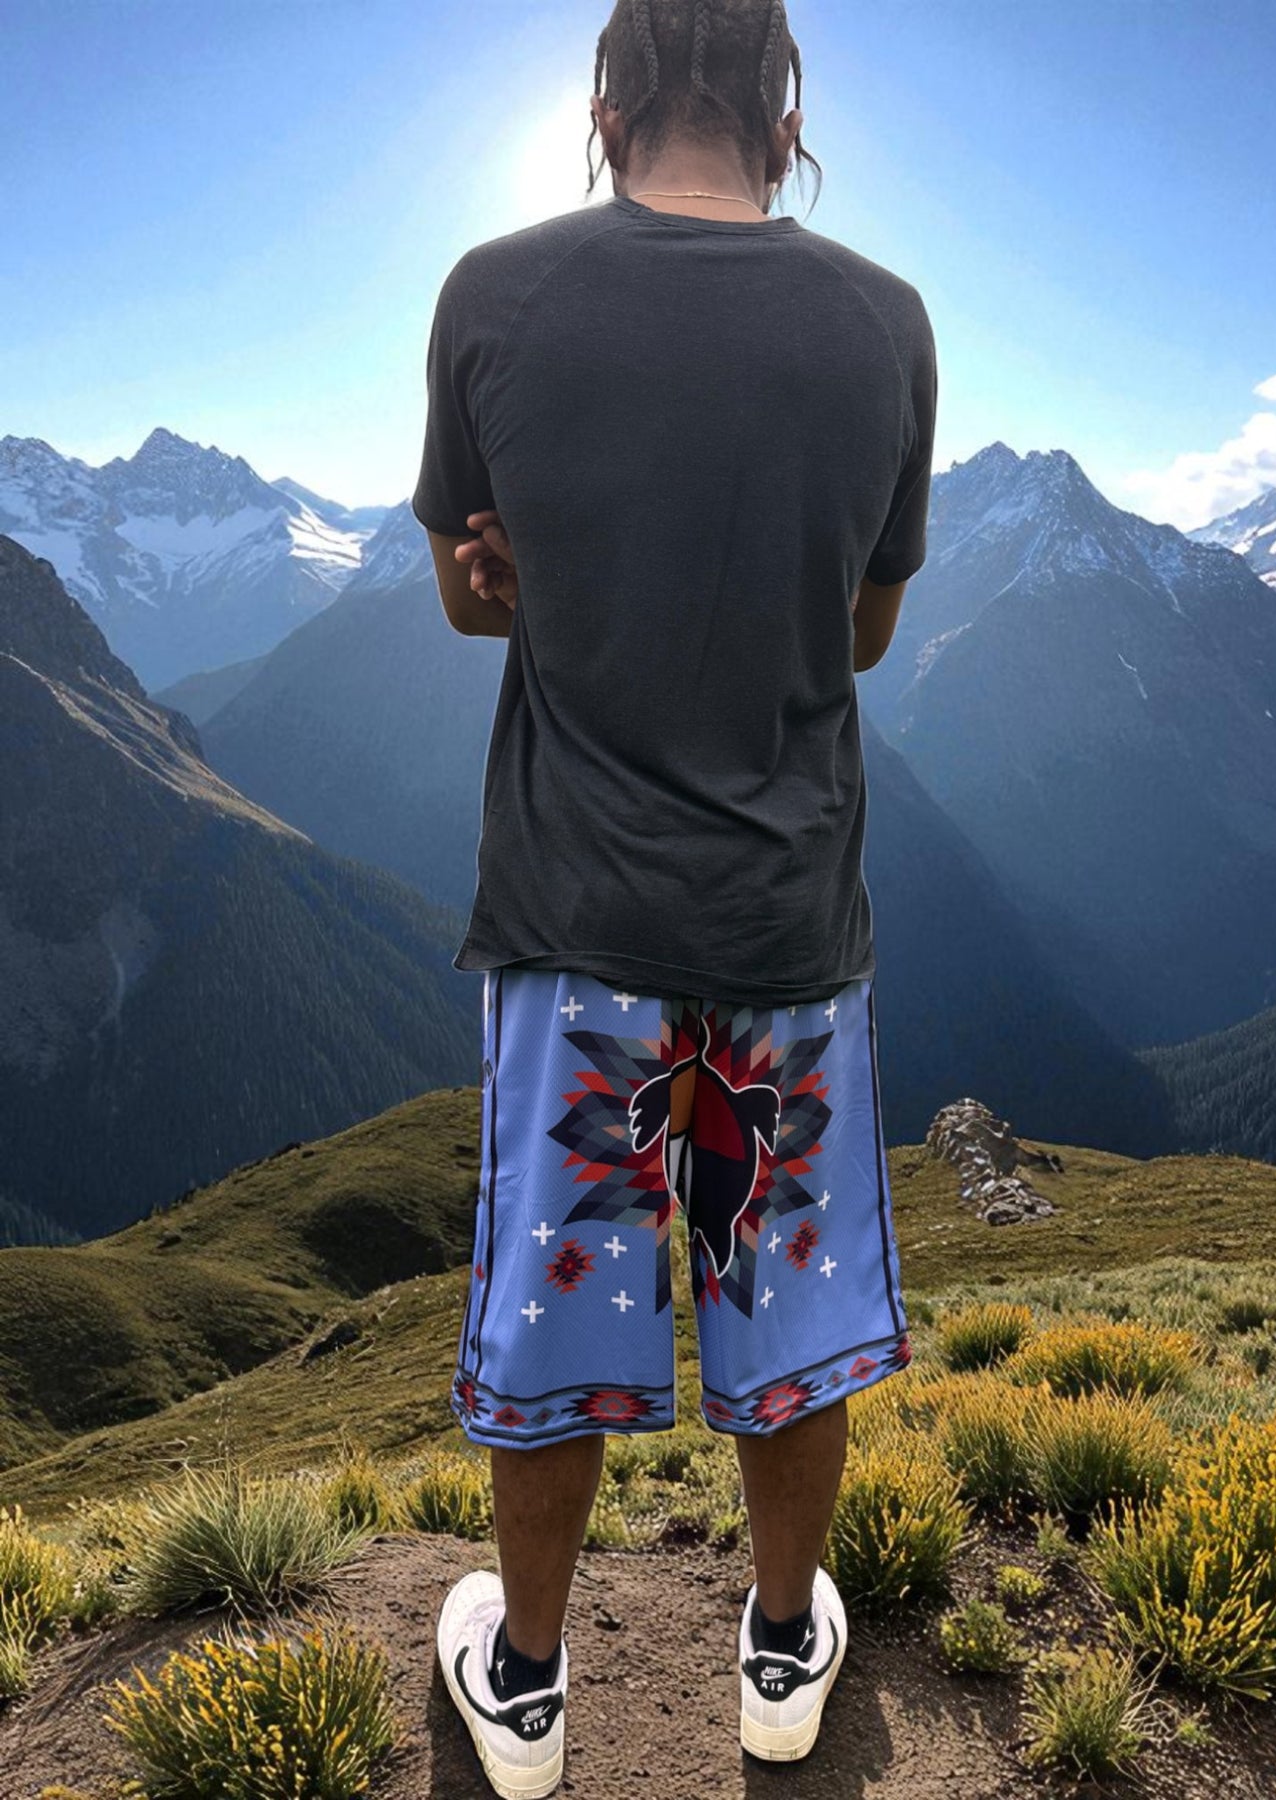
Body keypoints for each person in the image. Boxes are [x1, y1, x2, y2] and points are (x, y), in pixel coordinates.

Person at [411, 2, 937, 1793]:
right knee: (790, 1304)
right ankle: (780, 1652)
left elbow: (470, 596)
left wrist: (527, 575)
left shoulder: (493, 293)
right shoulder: (884, 321)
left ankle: (527, 1684)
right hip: (784, 911)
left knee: (552, 1303)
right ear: (783, 118)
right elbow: (859, 634)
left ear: (604, 105)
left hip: (576, 907)